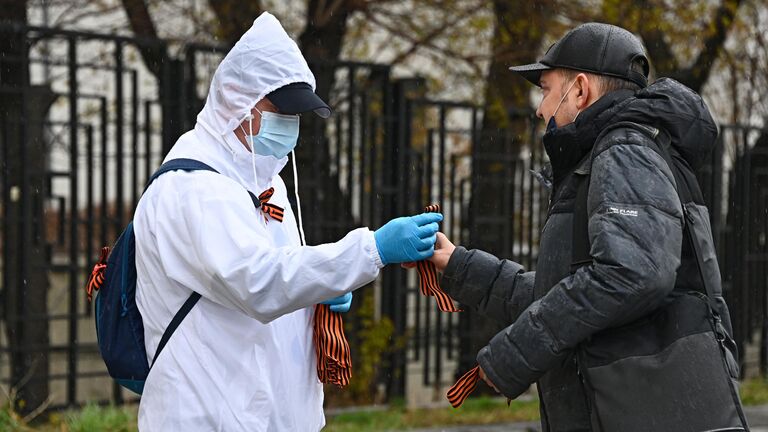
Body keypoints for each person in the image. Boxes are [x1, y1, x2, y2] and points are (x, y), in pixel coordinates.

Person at [132, 12, 441, 431]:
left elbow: (283, 271)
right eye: (281, 110)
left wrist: (321, 290)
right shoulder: (193, 188)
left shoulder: (265, 176)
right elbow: (257, 282)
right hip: (207, 416)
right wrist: (370, 250)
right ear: (239, 100)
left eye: (296, 114)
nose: (290, 125)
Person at [429, 23, 736, 430]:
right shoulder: (610, 156)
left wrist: (516, 351)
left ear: (579, 89)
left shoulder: (624, 150)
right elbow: (566, 293)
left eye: (545, 89)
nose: (540, 109)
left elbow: (632, 274)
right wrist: (458, 265)